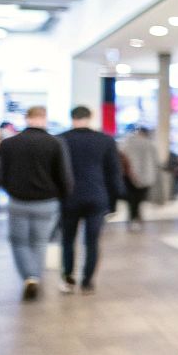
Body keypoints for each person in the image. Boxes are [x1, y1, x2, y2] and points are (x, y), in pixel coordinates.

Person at [0, 106, 74, 301]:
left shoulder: (9, 144)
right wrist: (64, 195)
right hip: (47, 202)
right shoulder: (55, 143)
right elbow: (64, 175)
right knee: (39, 242)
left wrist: (10, 190)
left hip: (18, 201)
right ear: (44, 118)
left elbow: (1, 175)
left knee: (19, 241)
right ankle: (35, 276)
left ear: (27, 118)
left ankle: (29, 277)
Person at [57, 106, 125, 294]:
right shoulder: (105, 140)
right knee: (92, 242)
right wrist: (114, 201)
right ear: (90, 117)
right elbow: (114, 173)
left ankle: (68, 278)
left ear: (72, 118)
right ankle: (87, 281)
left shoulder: (61, 139)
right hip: (97, 197)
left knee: (68, 240)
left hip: (68, 198)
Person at [119, 125, 162, 229]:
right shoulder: (150, 145)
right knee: (139, 199)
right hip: (145, 177)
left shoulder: (127, 143)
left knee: (131, 199)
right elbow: (155, 162)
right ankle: (137, 216)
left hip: (129, 176)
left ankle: (132, 217)